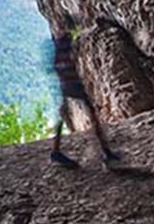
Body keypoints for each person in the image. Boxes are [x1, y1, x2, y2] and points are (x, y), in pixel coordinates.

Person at [49, 13, 121, 168]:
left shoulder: (60, 42)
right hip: (72, 84)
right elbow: (63, 63)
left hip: (66, 84)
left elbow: (57, 65)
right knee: (92, 116)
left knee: (67, 116)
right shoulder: (65, 42)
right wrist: (72, 79)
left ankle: (56, 151)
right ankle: (106, 152)